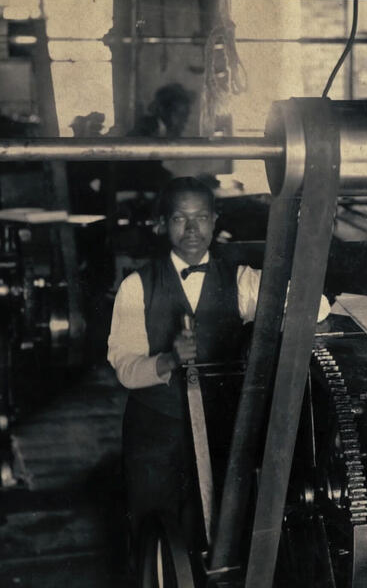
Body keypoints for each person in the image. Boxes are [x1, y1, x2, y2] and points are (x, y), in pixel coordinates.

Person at [107, 176, 329, 558]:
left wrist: (264, 325)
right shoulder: (135, 286)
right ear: (162, 224)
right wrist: (168, 359)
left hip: (219, 426)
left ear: (215, 221)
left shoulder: (240, 281)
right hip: (155, 433)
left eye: (200, 218)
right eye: (179, 219)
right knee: (155, 533)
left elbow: (316, 305)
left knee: (218, 531)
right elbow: (125, 366)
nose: (192, 229)